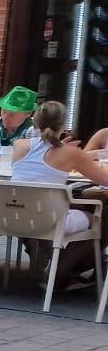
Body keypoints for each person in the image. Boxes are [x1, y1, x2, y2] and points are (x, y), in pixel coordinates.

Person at [13, 100, 108, 290]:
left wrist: (60, 147)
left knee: (74, 211)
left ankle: (60, 266)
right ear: (63, 125)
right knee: (99, 219)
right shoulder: (71, 153)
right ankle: (60, 274)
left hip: (13, 216)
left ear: (35, 123)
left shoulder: (19, 145)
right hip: (47, 219)